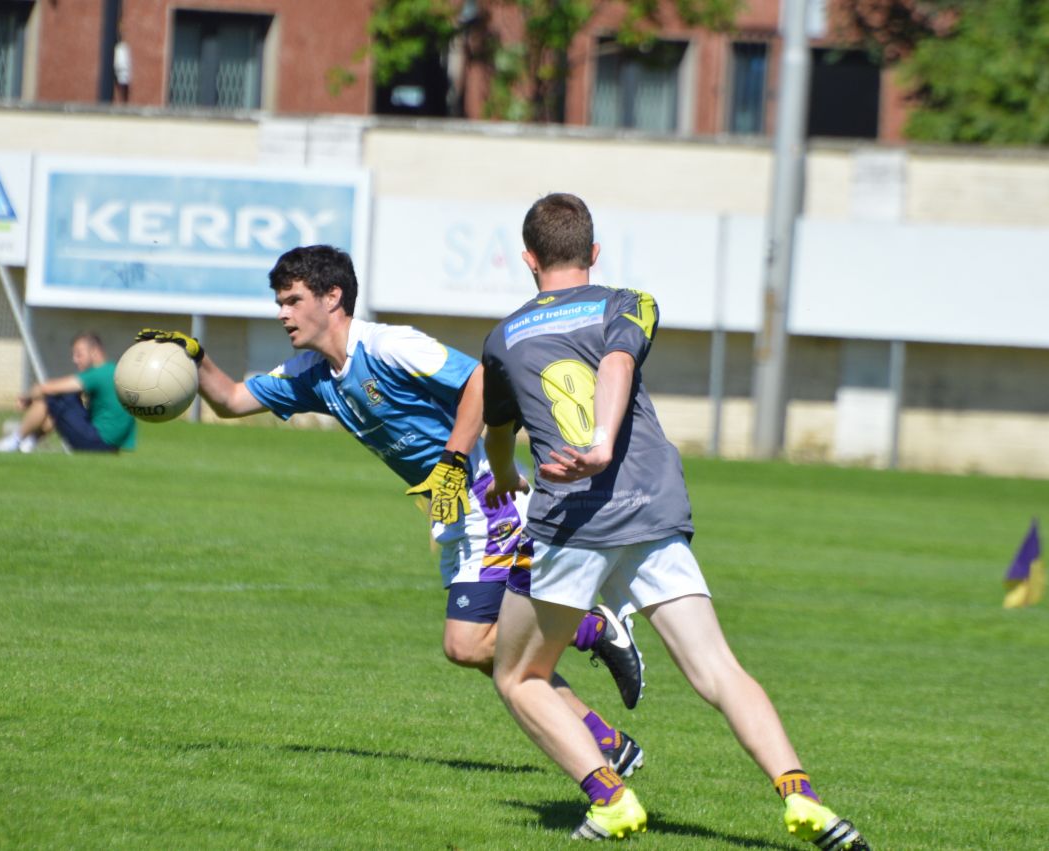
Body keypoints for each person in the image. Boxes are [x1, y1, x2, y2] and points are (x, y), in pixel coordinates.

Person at [136, 244, 647, 778]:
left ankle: (590, 628)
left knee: (468, 643)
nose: (282, 313)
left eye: (292, 300)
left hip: (486, 501)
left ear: (332, 297)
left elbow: (484, 380)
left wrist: (454, 459)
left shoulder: (389, 346)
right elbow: (234, 400)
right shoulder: (312, 374)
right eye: (280, 302)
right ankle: (606, 740)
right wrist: (195, 358)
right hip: (453, 516)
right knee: (495, 655)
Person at [480, 193, 870, 847]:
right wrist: (608, 438)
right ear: (593, 253)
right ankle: (802, 795)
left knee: (518, 674)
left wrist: (514, 473)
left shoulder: (503, 337)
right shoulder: (628, 301)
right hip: (653, 509)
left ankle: (611, 799)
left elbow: (497, 432)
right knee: (720, 669)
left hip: (573, 523)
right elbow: (618, 358)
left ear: (527, 259)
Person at [0, 332, 136, 454]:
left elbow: (47, 388)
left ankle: (12, 442)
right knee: (67, 400)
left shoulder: (98, 374)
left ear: (94, 352)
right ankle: (28, 442)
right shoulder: (114, 370)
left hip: (96, 442)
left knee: (51, 397)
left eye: (79, 354)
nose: (75, 359)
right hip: (113, 447)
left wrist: (26, 398)